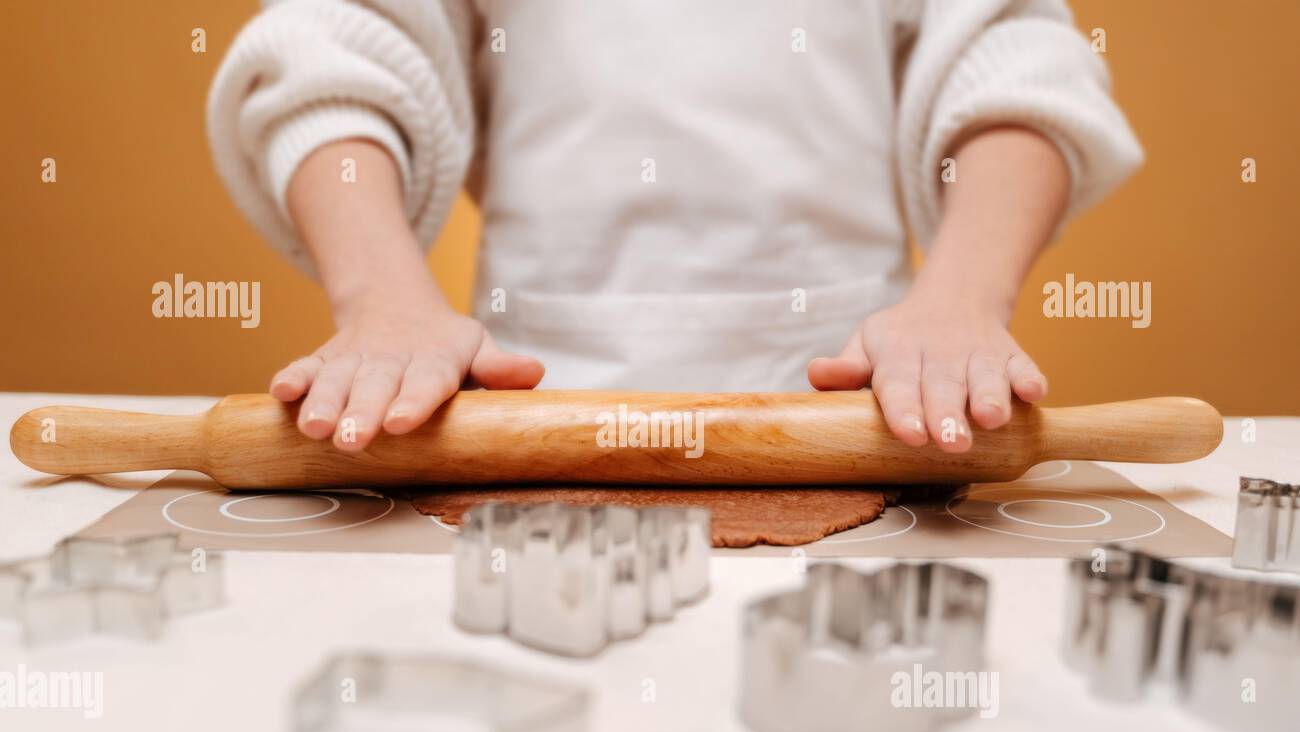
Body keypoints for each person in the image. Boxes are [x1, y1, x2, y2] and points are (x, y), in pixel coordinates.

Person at [207, 0, 1141, 453]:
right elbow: (336, 45)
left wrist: (963, 299)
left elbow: (1009, 53)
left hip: (870, 424)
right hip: (526, 426)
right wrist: (384, 303)